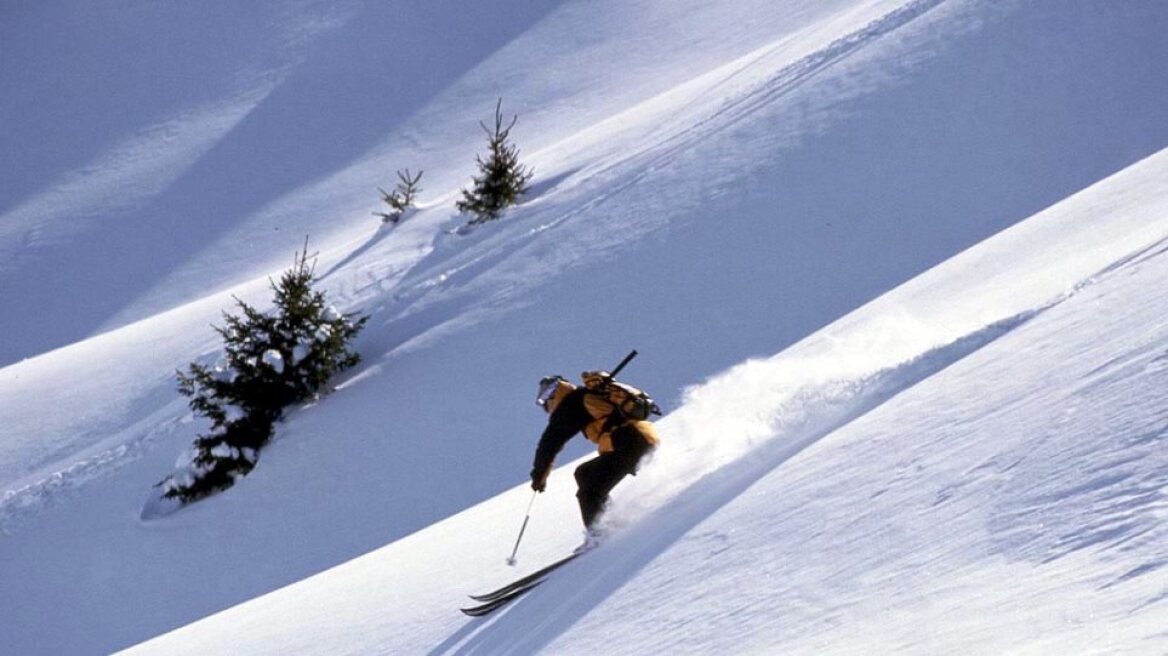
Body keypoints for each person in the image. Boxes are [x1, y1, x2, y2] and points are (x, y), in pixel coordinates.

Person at [529, 371, 659, 543]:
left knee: (589, 493)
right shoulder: (585, 396)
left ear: (554, 394)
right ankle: (611, 524)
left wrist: (539, 475)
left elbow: (549, 443)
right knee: (583, 473)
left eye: (545, 400)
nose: (546, 407)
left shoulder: (570, 405)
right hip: (638, 438)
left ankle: (600, 535)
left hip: (628, 442)